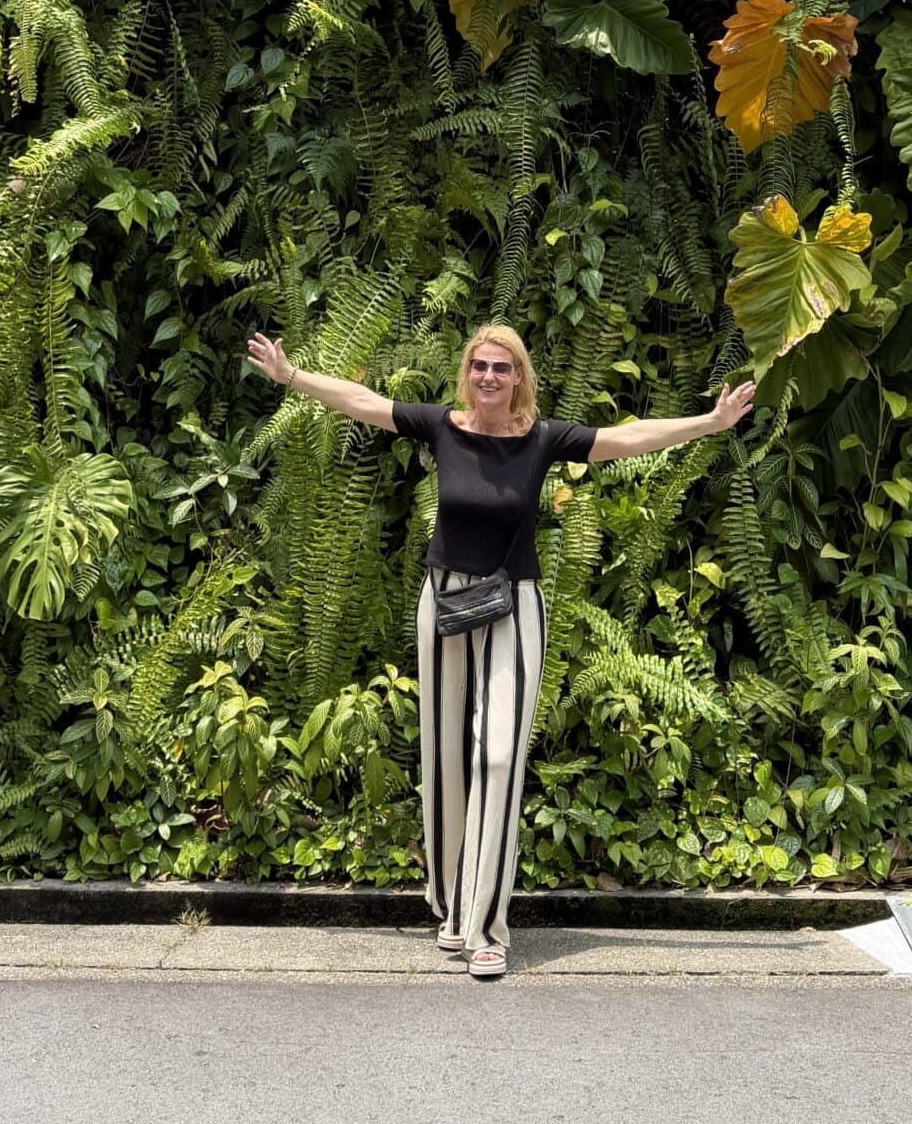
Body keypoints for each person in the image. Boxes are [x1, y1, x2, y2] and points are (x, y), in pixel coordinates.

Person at [246, 321, 756, 982]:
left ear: (519, 378)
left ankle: (487, 928)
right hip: (444, 601)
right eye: (480, 366)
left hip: (515, 605)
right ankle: (453, 907)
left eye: (502, 368)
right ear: (468, 373)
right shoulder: (442, 426)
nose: (489, 377)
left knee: (497, 756)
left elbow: (627, 438)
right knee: (446, 755)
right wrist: (291, 377)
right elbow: (363, 402)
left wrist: (710, 423)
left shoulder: (542, 439)